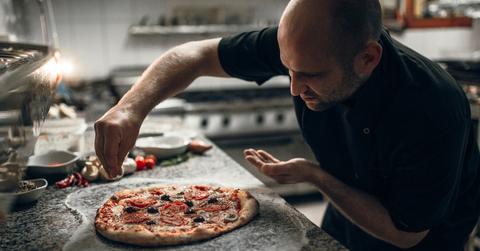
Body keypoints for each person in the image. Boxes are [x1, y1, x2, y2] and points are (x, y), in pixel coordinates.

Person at [95, 0, 480, 250]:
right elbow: (192, 54)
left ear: (368, 58)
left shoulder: (431, 108)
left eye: (309, 75)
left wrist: (316, 176)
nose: (294, 87)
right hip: (346, 218)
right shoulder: (306, 45)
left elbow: (405, 232)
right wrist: (130, 108)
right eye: (287, 69)